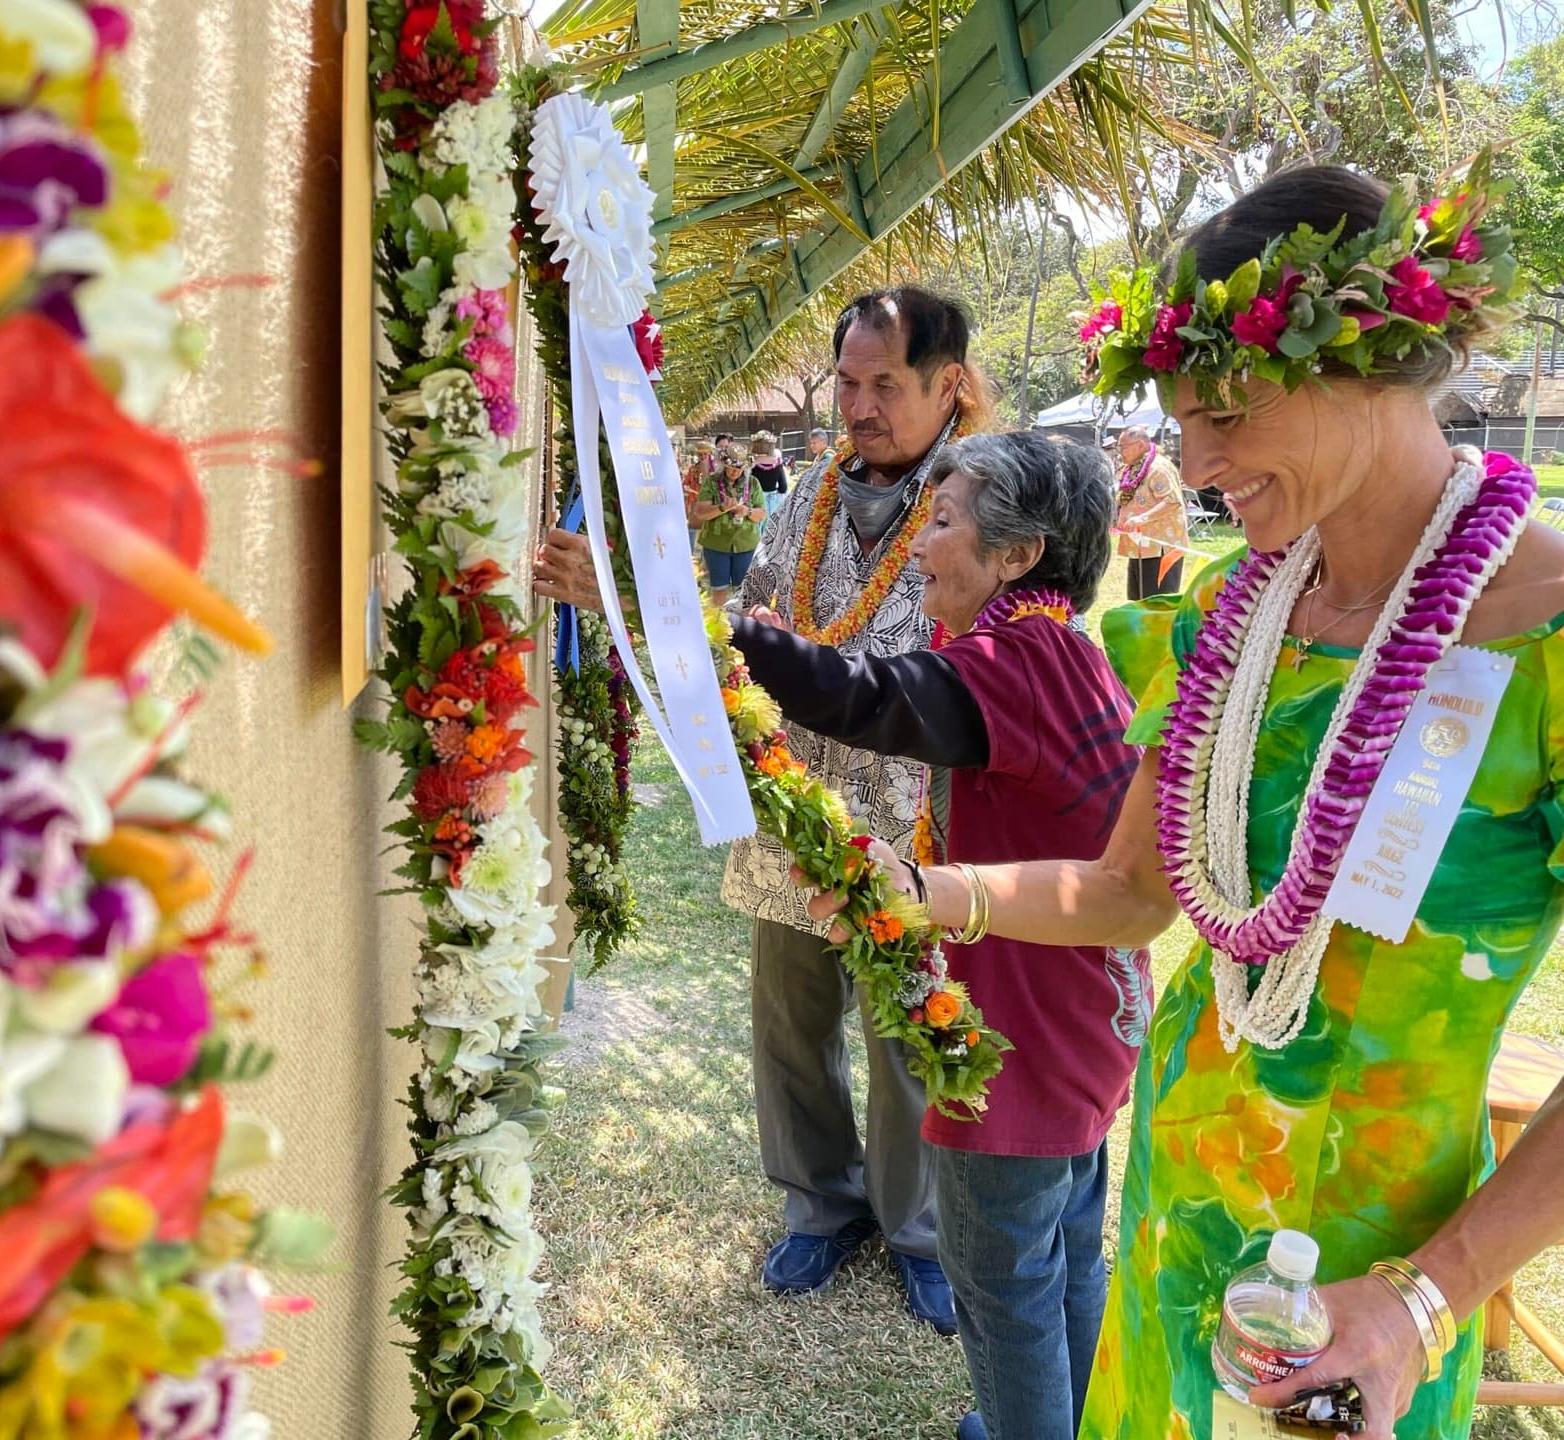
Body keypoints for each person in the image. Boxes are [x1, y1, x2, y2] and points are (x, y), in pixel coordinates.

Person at [811, 165, 1564, 1440]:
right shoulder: (1236, 613)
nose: (1199, 465)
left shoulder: (1543, 631)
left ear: (1371, 356)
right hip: (1172, 1210)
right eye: (1179, 418)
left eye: (1227, 411)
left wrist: (1420, 1307)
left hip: (1363, 1281)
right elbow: (1127, 892)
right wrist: (917, 892)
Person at [535, 286, 997, 1333]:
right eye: (848, 381)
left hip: (920, 825)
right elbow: (752, 630)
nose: (861, 404)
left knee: (902, 1029)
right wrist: (621, 597)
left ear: (948, 386)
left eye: (887, 383)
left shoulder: (985, 498)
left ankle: (917, 1228)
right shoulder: (808, 495)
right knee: (790, 1022)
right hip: (792, 807)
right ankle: (820, 1203)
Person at [736, 431, 1149, 1440]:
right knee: (1063, 1260)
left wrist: (713, 633)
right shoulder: (1066, 654)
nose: (924, 544)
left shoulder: (1016, 661)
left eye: (949, 520)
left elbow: (860, 699)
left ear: (1018, 555)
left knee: (1003, 1287)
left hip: (1021, 1041)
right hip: (1085, 1027)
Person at [1110, 424, 1189, 598]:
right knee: (1139, 599)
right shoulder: (1133, 467)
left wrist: (1141, 518)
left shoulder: (1158, 468)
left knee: (1157, 601)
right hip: (1140, 546)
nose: (1119, 451)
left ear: (1139, 445)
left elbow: (1172, 501)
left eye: (1123, 447)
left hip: (1161, 548)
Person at [693, 440, 768, 604]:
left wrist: (747, 511)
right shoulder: (712, 482)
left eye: (739, 469)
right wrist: (721, 508)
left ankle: (742, 626)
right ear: (724, 465)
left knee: (744, 592)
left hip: (746, 544)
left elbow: (762, 514)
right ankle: (720, 625)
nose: (735, 472)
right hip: (716, 545)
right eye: (731, 468)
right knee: (719, 590)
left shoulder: (753, 483)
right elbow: (700, 513)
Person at [750, 429, 792, 519]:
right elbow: (783, 487)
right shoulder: (777, 463)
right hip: (773, 503)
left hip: (755, 503)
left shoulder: (751, 463)